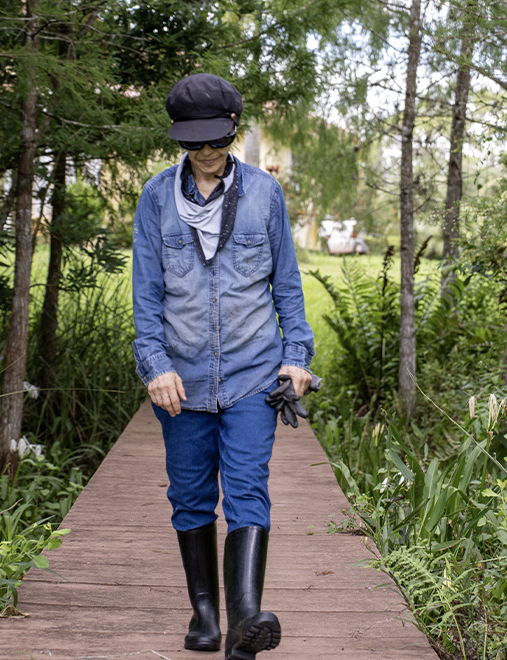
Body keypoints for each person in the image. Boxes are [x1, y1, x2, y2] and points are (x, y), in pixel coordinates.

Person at [131, 73, 314, 659]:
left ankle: (244, 626)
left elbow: (287, 284)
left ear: (233, 131)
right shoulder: (157, 198)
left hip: (253, 374)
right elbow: (145, 295)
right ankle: (205, 617)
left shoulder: (264, 194)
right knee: (189, 496)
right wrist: (154, 364)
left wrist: (296, 356)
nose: (204, 153)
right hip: (180, 379)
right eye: (192, 143)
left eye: (214, 141)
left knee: (246, 491)